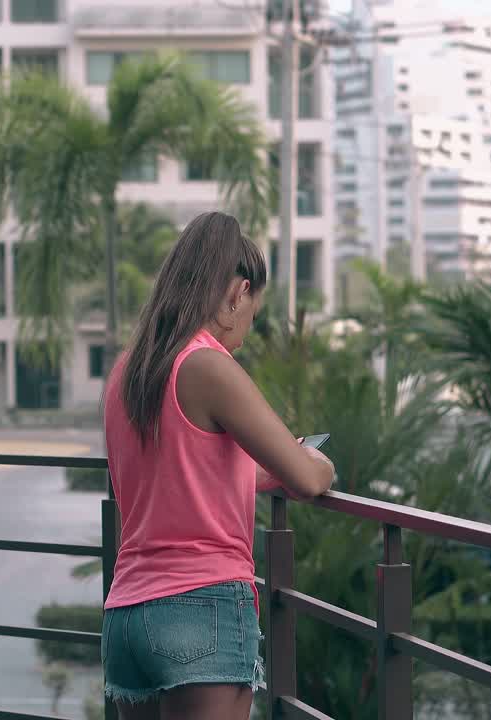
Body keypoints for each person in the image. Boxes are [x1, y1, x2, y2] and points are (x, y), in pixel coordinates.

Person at [102, 212, 335, 720]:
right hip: (200, 607)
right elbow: (307, 477)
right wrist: (315, 459)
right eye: (253, 311)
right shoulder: (208, 365)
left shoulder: (128, 370)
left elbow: (178, 469)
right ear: (237, 292)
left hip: (127, 615)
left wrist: (256, 471)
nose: (248, 326)